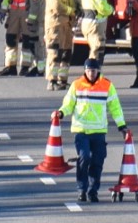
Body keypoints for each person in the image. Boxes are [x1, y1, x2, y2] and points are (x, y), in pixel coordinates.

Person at [54, 55, 128, 203]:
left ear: (98, 71)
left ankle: (93, 191)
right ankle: (82, 189)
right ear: (85, 71)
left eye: (93, 71)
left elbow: (115, 107)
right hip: (81, 131)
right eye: (88, 71)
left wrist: (122, 126)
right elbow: (68, 104)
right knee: (84, 157)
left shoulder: (106, 85)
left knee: (97, 161)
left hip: (99, 131)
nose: (91, 73)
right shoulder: (77, 85)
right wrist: (61, 113)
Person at [0, 0, 46, 77]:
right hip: (14, 12)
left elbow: (34, 1)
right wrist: (4, 9)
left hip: (26, 12)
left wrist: (31, 17)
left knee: (27, 40)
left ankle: (25, 66)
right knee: (10, 39)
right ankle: (10, 66)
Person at [44, 0, 78, 90]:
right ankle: (52, 81)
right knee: (54, 53)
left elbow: (75, 5)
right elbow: (56, 6)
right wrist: (71, 11)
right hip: (55, 26)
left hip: (67, 26)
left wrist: (78, 10)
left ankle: (62, 80)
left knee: (66, 54)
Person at [79, 0, 114, 72]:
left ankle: (92, 73)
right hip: (95, 23)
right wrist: (111, 9)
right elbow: (102, 7)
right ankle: (93, 74)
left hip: (87, 22)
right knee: (98, 49)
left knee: (93, 49)